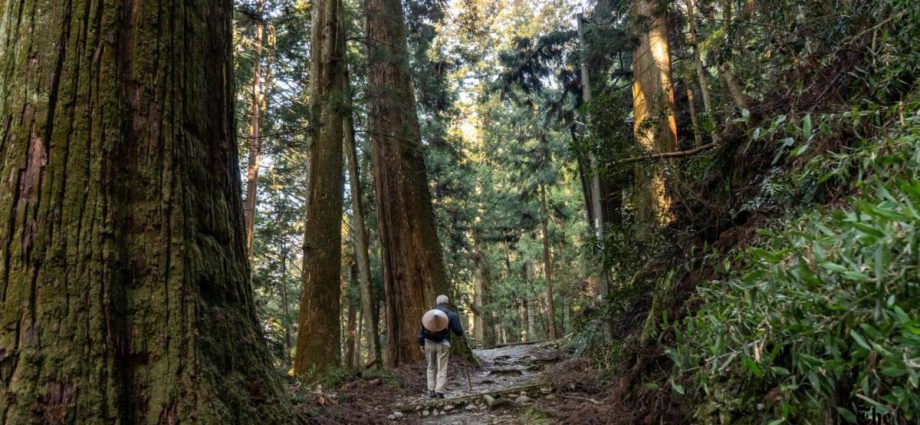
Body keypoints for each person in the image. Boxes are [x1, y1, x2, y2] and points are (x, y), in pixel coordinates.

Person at [418, 295, 464, 399]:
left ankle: (431, 391)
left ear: (437, 303)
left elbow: (422, 330)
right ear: (447, 303)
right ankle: (439, 392)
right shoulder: (451, 315)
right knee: (442, 368)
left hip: (428, 343)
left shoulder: (428, 315)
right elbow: (458, 331)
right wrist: (460, 334)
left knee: (431, 366)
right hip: (443, 344)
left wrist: (421, 343)